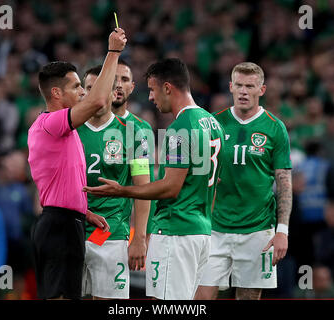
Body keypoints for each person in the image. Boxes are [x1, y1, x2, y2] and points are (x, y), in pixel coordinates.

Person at [84, 58, 226, 300]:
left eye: (152, 89)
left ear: (167, 88)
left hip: (175, 229)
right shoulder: (213, 123)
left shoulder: (179, 129)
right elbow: (218, 183)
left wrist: (122, 191)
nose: (150, 97)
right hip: (201, 230)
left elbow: (170, 188)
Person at [27, 28, 126, 300]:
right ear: (56, 93)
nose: (83, 91)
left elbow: (64, 183)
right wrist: (113, 52)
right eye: (77, 86)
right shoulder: (50, 123)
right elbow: (97, 102)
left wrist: (84, 213)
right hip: (58, 226)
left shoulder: (66, 132)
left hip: (70, 222)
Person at [195, 62, 293, 300]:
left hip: (257, 230)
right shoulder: (212, 123)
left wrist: (282, 231)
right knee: (199, 298)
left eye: (250, 86)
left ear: (262, 90)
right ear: (230, 87)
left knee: (248, 298)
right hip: (214, 228)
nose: (243, 91)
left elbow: (284, 182)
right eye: (238, 85)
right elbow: (198, 176)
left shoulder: (275, 127)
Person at [77, 66, 151, 299]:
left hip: (111, 234)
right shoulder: (69, 130)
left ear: (113, 93)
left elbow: (143, 187)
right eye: (90, 88)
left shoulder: (134, 134)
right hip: (72, 232)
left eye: (103, 88)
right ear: (83, 92)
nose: (97, 93)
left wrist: (139, 238)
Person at [111, 59, 157, 236]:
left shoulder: (142, 130)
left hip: (118, 229)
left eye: (124, 79)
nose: (119, 85)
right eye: (114, 79)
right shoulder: (83, 125)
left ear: (132, 86)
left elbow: (146, 187)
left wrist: (144, 234)